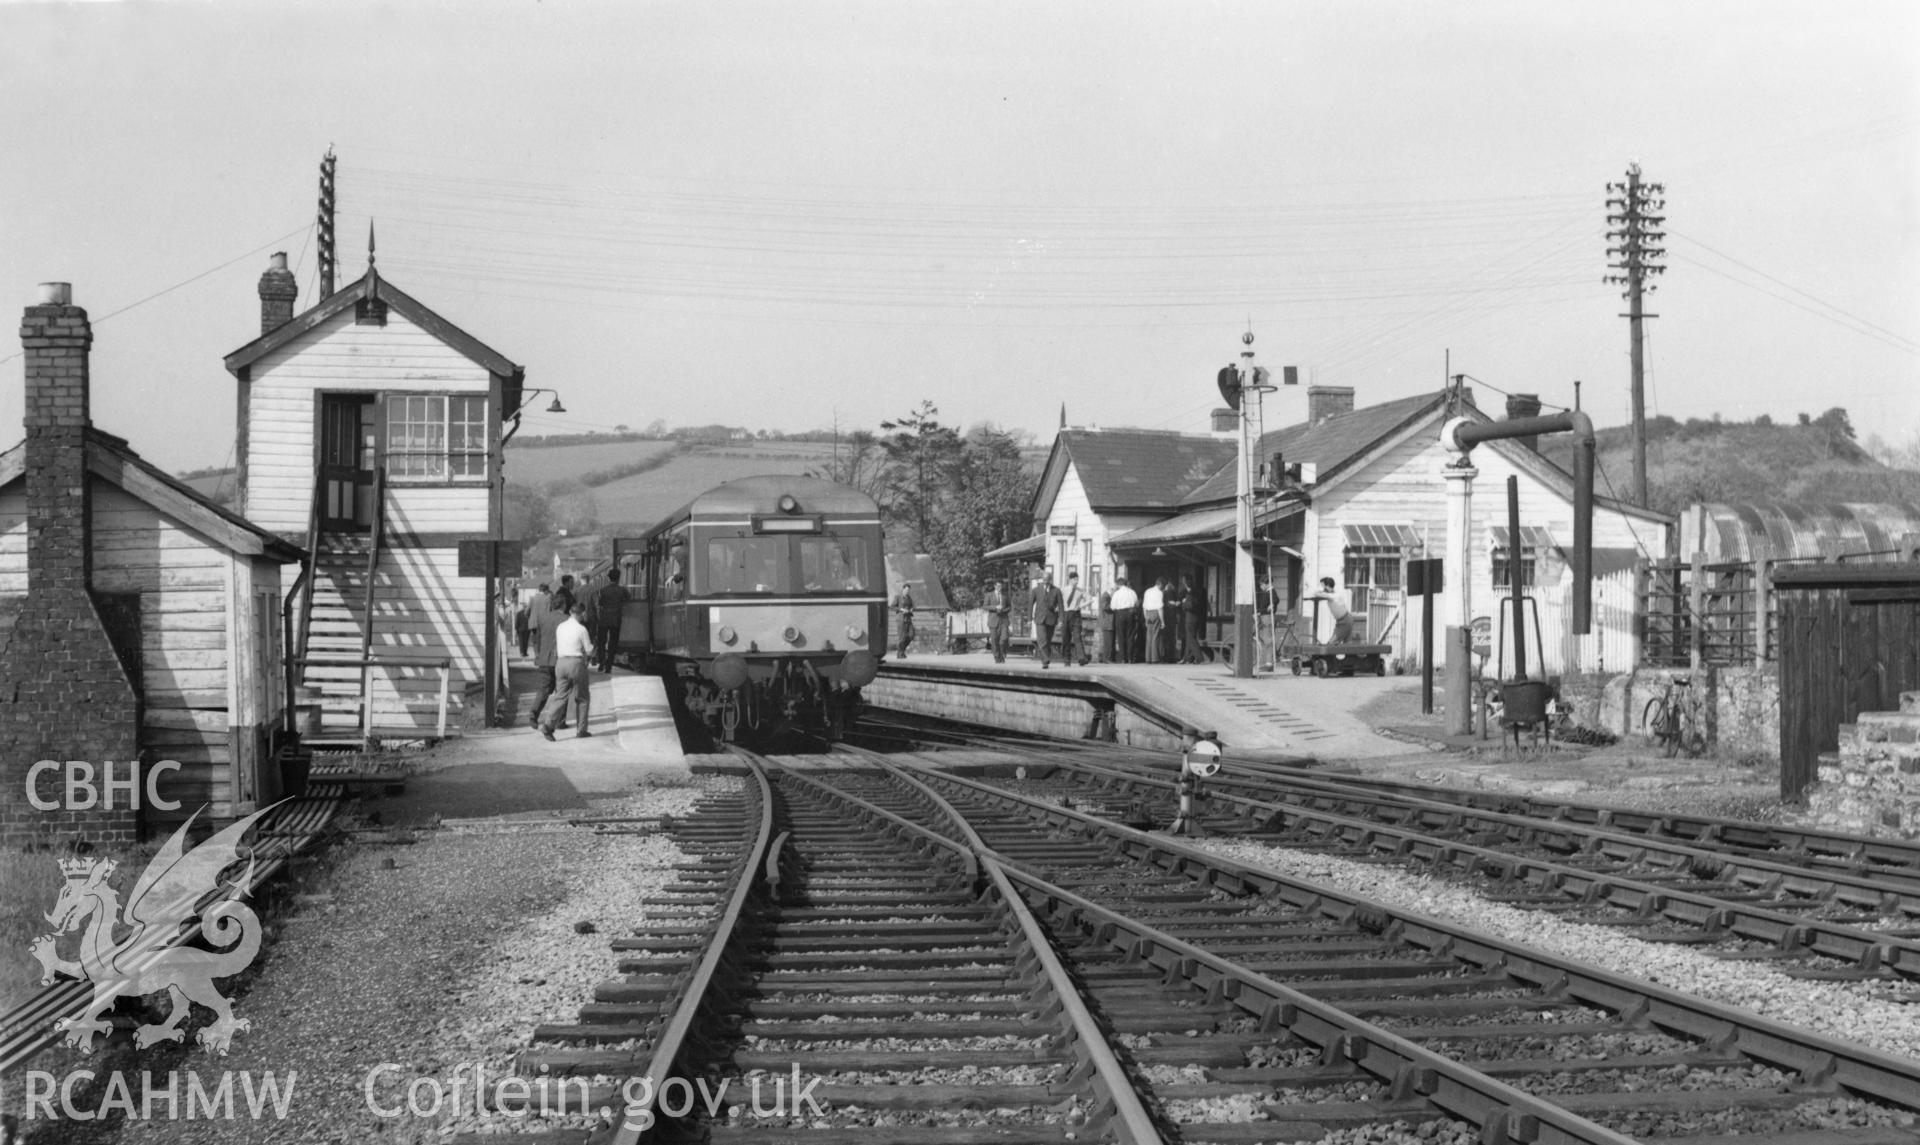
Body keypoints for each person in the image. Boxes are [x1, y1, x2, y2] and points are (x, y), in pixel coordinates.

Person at [538, 603, 594, 740]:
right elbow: (589, 650)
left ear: (570, 612)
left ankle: (548, 725)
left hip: (560, 664)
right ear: (582, 614)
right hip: (576, 663)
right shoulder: (582, 629)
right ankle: (581, 730)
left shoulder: (560, 627)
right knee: (582, 698)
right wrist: (593, 649)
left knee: (560, 697)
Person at [528, 590, 567, 728]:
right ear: (563, 605)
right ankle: (560, 721)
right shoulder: (566, 619)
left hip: (544, 659)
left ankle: (533, 714)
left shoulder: (542, 617)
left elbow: (536, 639)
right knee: (561, 691)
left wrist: (537, 655)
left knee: (544, 689)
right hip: (559, 660)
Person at [591, 568, 628, 672]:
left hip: (604, 619)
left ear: (608, 578)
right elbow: (628, 599)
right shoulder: (622, 590)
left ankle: (601, 663)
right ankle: (609, 666)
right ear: (618, 578)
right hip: (616, 618)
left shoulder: (603, 590)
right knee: (613, 643)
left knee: (601, 642)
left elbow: (601, 603)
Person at [1308, 576, 1356, 644]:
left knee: (1331, 645)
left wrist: (1321, 589)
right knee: (1347, 647)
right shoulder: (1334, 594)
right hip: (1345, 620)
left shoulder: (1332, 596)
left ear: (1327, 586)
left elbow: (1315, 593)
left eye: (1322, 585)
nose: (1321, 587)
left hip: (1344, 621)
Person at [1031, 575, 1064, 668]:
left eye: (1047, 580)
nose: (1045, 582)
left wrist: (1061, 620)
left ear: (1050, 580)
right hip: (1039, 619)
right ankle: (1045, 661)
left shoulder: (1057, 591)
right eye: (1044, 580)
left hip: (1051, 619)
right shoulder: (1036, 590)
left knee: (1048, 640)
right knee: (1042, 640)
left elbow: (1061, 607)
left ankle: (1046, 657)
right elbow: (1031, 604)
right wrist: (1029, 619)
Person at [1060, 570, 1087, 667]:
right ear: (1070, 580)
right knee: (1065, 638)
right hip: (1065, 614)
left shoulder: (1080, 590)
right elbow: (1059, 602)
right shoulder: (1063, 590)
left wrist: (1080, 606)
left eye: (1077, 579)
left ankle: (1081, 658)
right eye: (1075, 579)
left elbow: (1090, 599)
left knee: (1077, 637)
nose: (1076, 581)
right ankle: (1067, 659)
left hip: (1075, 614)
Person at [1108, 577, 1138, 664]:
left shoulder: (1117, 593)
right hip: (1130, 613)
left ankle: (1123, 658)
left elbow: (1113, 607)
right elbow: (1136, 604)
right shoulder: (1132, 592)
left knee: (1121, 636)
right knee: (1130, 635)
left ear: (1118, 584)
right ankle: (1130, 658)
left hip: (1120, 614)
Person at [518, 582, 549, 657]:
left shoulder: (532, 598)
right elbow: (549, 610)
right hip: (544, 623)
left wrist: (530, 617)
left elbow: (526, 611)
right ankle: (542, 655)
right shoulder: (548, 598)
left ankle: (537, 655)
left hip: (534, 623)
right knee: (543, 640)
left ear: (539, 590)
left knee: (535, 640)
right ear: (546, 590)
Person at [1180, 575, 1207, 664]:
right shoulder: (1197, 592)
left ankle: (1199, 657)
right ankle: (1187, 657)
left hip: (1190, 618)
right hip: (1195, 618)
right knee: (1190, 637)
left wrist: (1183, 603)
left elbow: (1190, 605)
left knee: (1191, 638)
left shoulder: (1191, 593)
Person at [984, 580, 1011, 663]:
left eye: (1001, 586)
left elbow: (1009, 607)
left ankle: (1002, 654)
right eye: (998, 586)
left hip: (1004, 620)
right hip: (993, 620)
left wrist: (1003, 609)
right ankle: (997, 657)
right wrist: (995, 607)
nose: (1000, 588)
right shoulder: (989, 595)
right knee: (994, 640)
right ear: (995, 586)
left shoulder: (1005, 595)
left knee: (1004, 638)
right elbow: (985, 606)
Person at [1142, 577, 1167, 664]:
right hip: (1156, 613)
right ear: (1160, 584)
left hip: (1148, 613)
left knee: (1149, 636)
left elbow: (1144, 606)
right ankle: (1154, 658)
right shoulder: (1159, 593)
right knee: (1156, 636)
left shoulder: (1147, 591)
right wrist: (1163, 621)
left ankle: (1148, 658)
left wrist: (1145, 618)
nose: (1162, 588)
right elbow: (1160, 608)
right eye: (1162, 586)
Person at [894, 584, 915, 658]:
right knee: (902, 637)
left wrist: (912, 609)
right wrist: (901, 609)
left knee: (911, 635)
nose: (907, 591)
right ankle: (900, 653)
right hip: (901, 619)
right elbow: (892, 606)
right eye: (906, 590)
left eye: (908, 590)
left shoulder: (909, 598)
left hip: (908, 619)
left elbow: (912, 605)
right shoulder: (898, 597)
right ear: (903, 589)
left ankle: (901, 650)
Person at [1096, 583, 1114, 664]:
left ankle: (1104, 657)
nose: (1114, 592)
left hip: (1106, 622)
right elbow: (1105, 607)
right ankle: (1106, 658)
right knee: (1107, 641)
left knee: (1106, 641)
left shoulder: (1106, 596)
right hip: (1107, 622)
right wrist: (1115, 606)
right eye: (1114, 590)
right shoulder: (1106, 596)